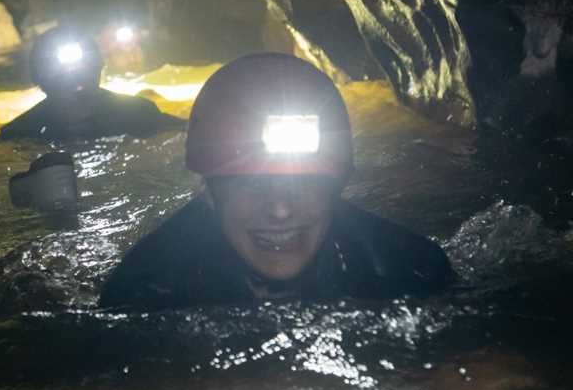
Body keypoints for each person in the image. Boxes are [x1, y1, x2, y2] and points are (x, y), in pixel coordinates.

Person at [99, 53, 454, 310]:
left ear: (336, 187)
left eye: (303, 184)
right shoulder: (146, 293)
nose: (280, 210)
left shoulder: (410, 273)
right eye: (250, 184)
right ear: (208, 192)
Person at [0, 27, 184, 141]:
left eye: (83, 74)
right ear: (40, 79)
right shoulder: (19, 134)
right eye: (64, 78)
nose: (75, 83)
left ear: (100, 67)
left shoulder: (138, 113)